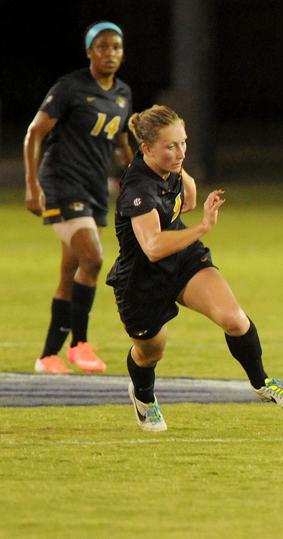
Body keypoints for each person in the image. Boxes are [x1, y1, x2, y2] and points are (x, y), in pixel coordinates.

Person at [106, 105, 283, 432]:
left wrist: (179, 166)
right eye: (171, 146)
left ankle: (263, 381)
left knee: (234, 319)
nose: (181, 151)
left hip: (183, 258)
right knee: (150, 353)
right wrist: (202, 228)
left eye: (183, 142)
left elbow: (190, 200)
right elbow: (153, 247)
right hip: (142, 280)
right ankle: (143, 396)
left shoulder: (169, 168)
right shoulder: (137, 189)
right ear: (146, 150)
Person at [24, 21, 133, 374]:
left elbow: (120, 145)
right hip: (60, 183)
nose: (110, 53)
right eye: (102, 47)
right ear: (89, 51)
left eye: (115, 47)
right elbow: (34, 134)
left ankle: (48, 356)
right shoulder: (70, 88)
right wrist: (32, 185)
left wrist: (141, 176)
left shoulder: (122, 94)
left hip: (93, 189)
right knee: (93, 258)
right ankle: (79, 344)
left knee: (71, 270)